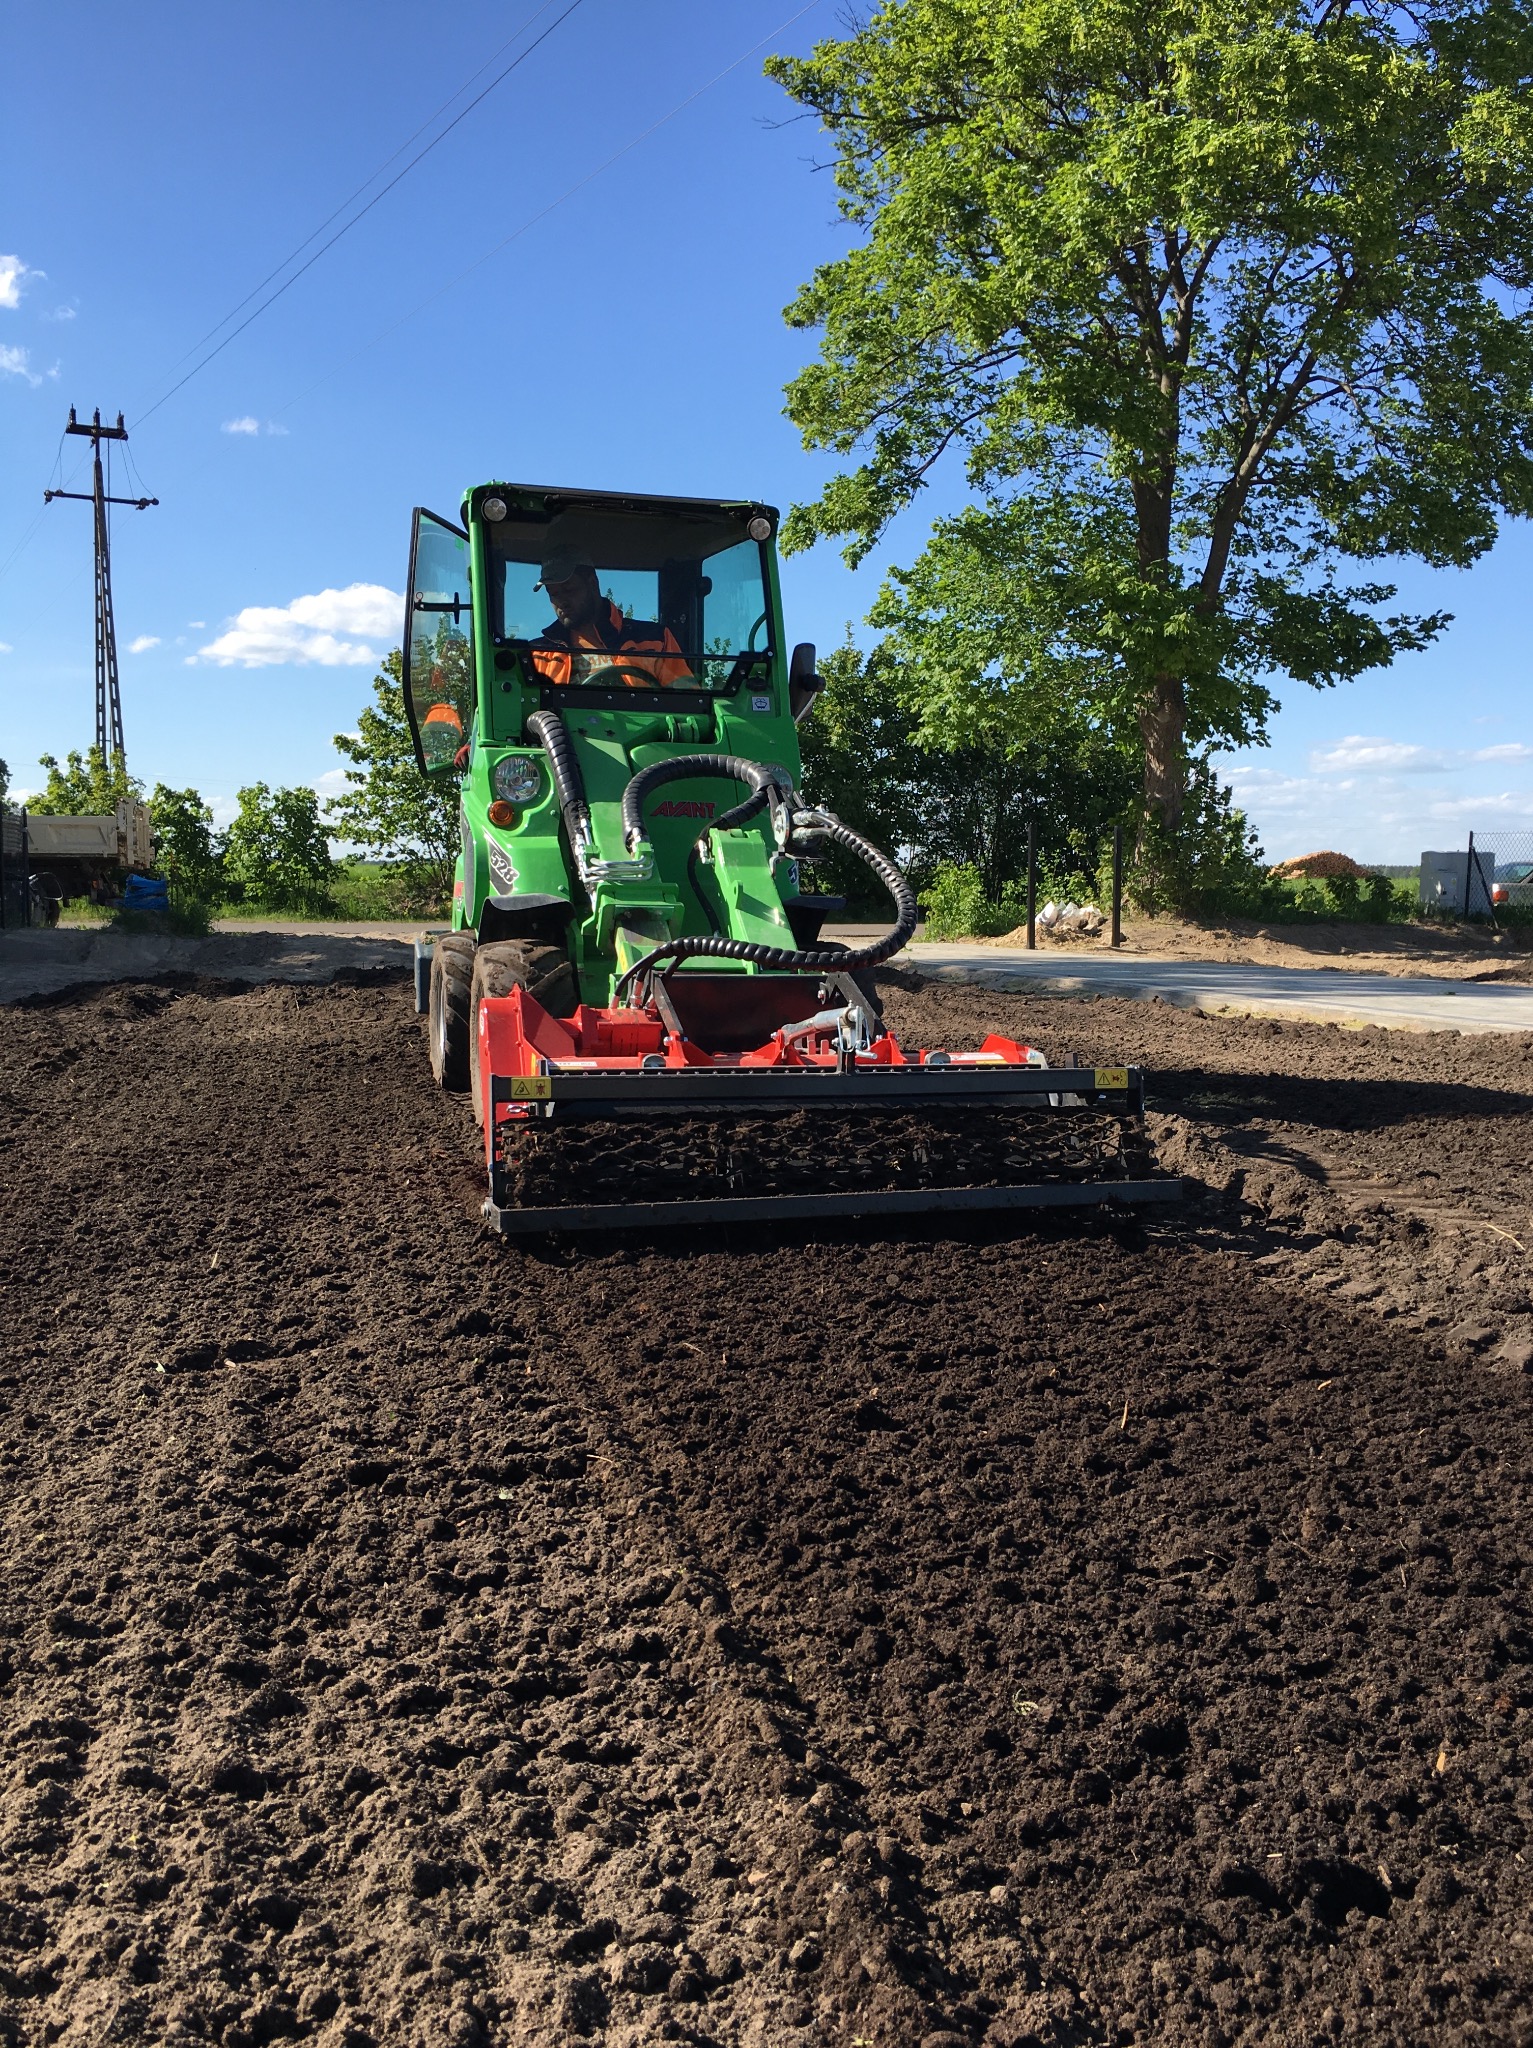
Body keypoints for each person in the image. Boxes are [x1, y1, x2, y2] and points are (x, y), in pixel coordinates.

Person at [530, 545, 692, 688]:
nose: (561, 601)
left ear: (592, 582)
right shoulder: (537, 654)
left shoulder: (656, 639)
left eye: (568, 589)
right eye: (553, 593)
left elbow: (686, 702)